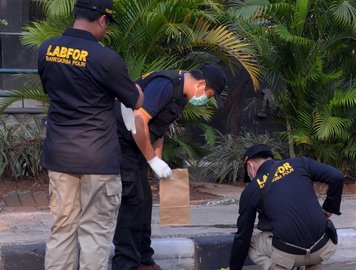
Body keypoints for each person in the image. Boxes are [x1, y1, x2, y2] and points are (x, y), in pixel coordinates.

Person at [37, 0, 144, 269]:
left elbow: (49, 89)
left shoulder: (46, 50)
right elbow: (136, 100)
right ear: (102, 21)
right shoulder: (106, 59)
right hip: (99, 160)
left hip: (60, 157)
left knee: (62, 229)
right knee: (95, 233)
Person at [112, 64, 227, 270]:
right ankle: (125, 264)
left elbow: (158, 127)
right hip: (121, 142)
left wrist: (158, 160)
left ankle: (144, 260)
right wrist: (152, 160)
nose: (205, 100)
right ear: (201, 84)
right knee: (132, 203)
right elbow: (139, 120)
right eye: (209, 95)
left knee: (144, 202)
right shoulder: (166, 85)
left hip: (135, 145)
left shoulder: (180, 95)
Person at [229, 144, 344, 270]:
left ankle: (278, 268)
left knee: (250, 242)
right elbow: (337, 177)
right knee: (307, 228)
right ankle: (313, 265)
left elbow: (242, 236)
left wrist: (234, 268)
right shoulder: (299, 163)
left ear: (250, 166)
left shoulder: (252, 189)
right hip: (324, 247)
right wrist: (329, 208)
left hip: (289, 254)